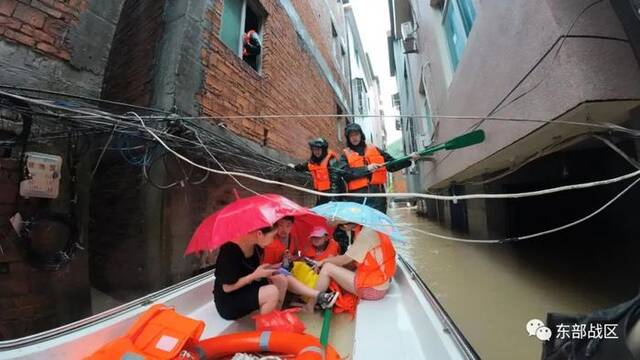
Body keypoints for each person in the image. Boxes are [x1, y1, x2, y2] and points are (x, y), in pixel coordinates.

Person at [213, 225, 338, 320]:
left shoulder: (256, 247)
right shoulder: (229, 251)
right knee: (271, 291)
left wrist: (276, 266)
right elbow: (227, 288)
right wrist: (254, 276)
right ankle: (263, 334)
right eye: (272, 237)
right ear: (259, 234)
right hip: (228, 301)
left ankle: (319, 296)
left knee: (281, 276)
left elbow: (255, 271)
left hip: (248, 288)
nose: (273, 241)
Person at [336, 122, 420, 214]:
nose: (354, 137)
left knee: (379, 225)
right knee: (356, 226)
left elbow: (392, 165)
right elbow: (345, 173)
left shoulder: (375, 150)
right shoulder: (345, 156)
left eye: (356, 134)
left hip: (377, 196)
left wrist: (409, 159)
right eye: (351, 135)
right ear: (348, 138)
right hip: (357, 197)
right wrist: (367, 169)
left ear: (361, 135)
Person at [307, 227, 396, 309]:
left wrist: (324, 261)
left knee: (327, 267)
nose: (342, 227)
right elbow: (352, 263)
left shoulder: (365, 234)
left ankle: (310, 306)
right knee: (333, 265)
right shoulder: (374, 230)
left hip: (372, 290)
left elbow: (344, 260)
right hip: (381, 283)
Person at [288, 138, 341, 205]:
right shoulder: (311, 162)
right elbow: (301, 167)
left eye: (318, 149)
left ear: (323, 150)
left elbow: (336, 181)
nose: (316, 152)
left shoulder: (331, 160)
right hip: (318, 194)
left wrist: (334, 198)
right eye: (314, 149)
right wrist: (294, 167)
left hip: (330, 195)